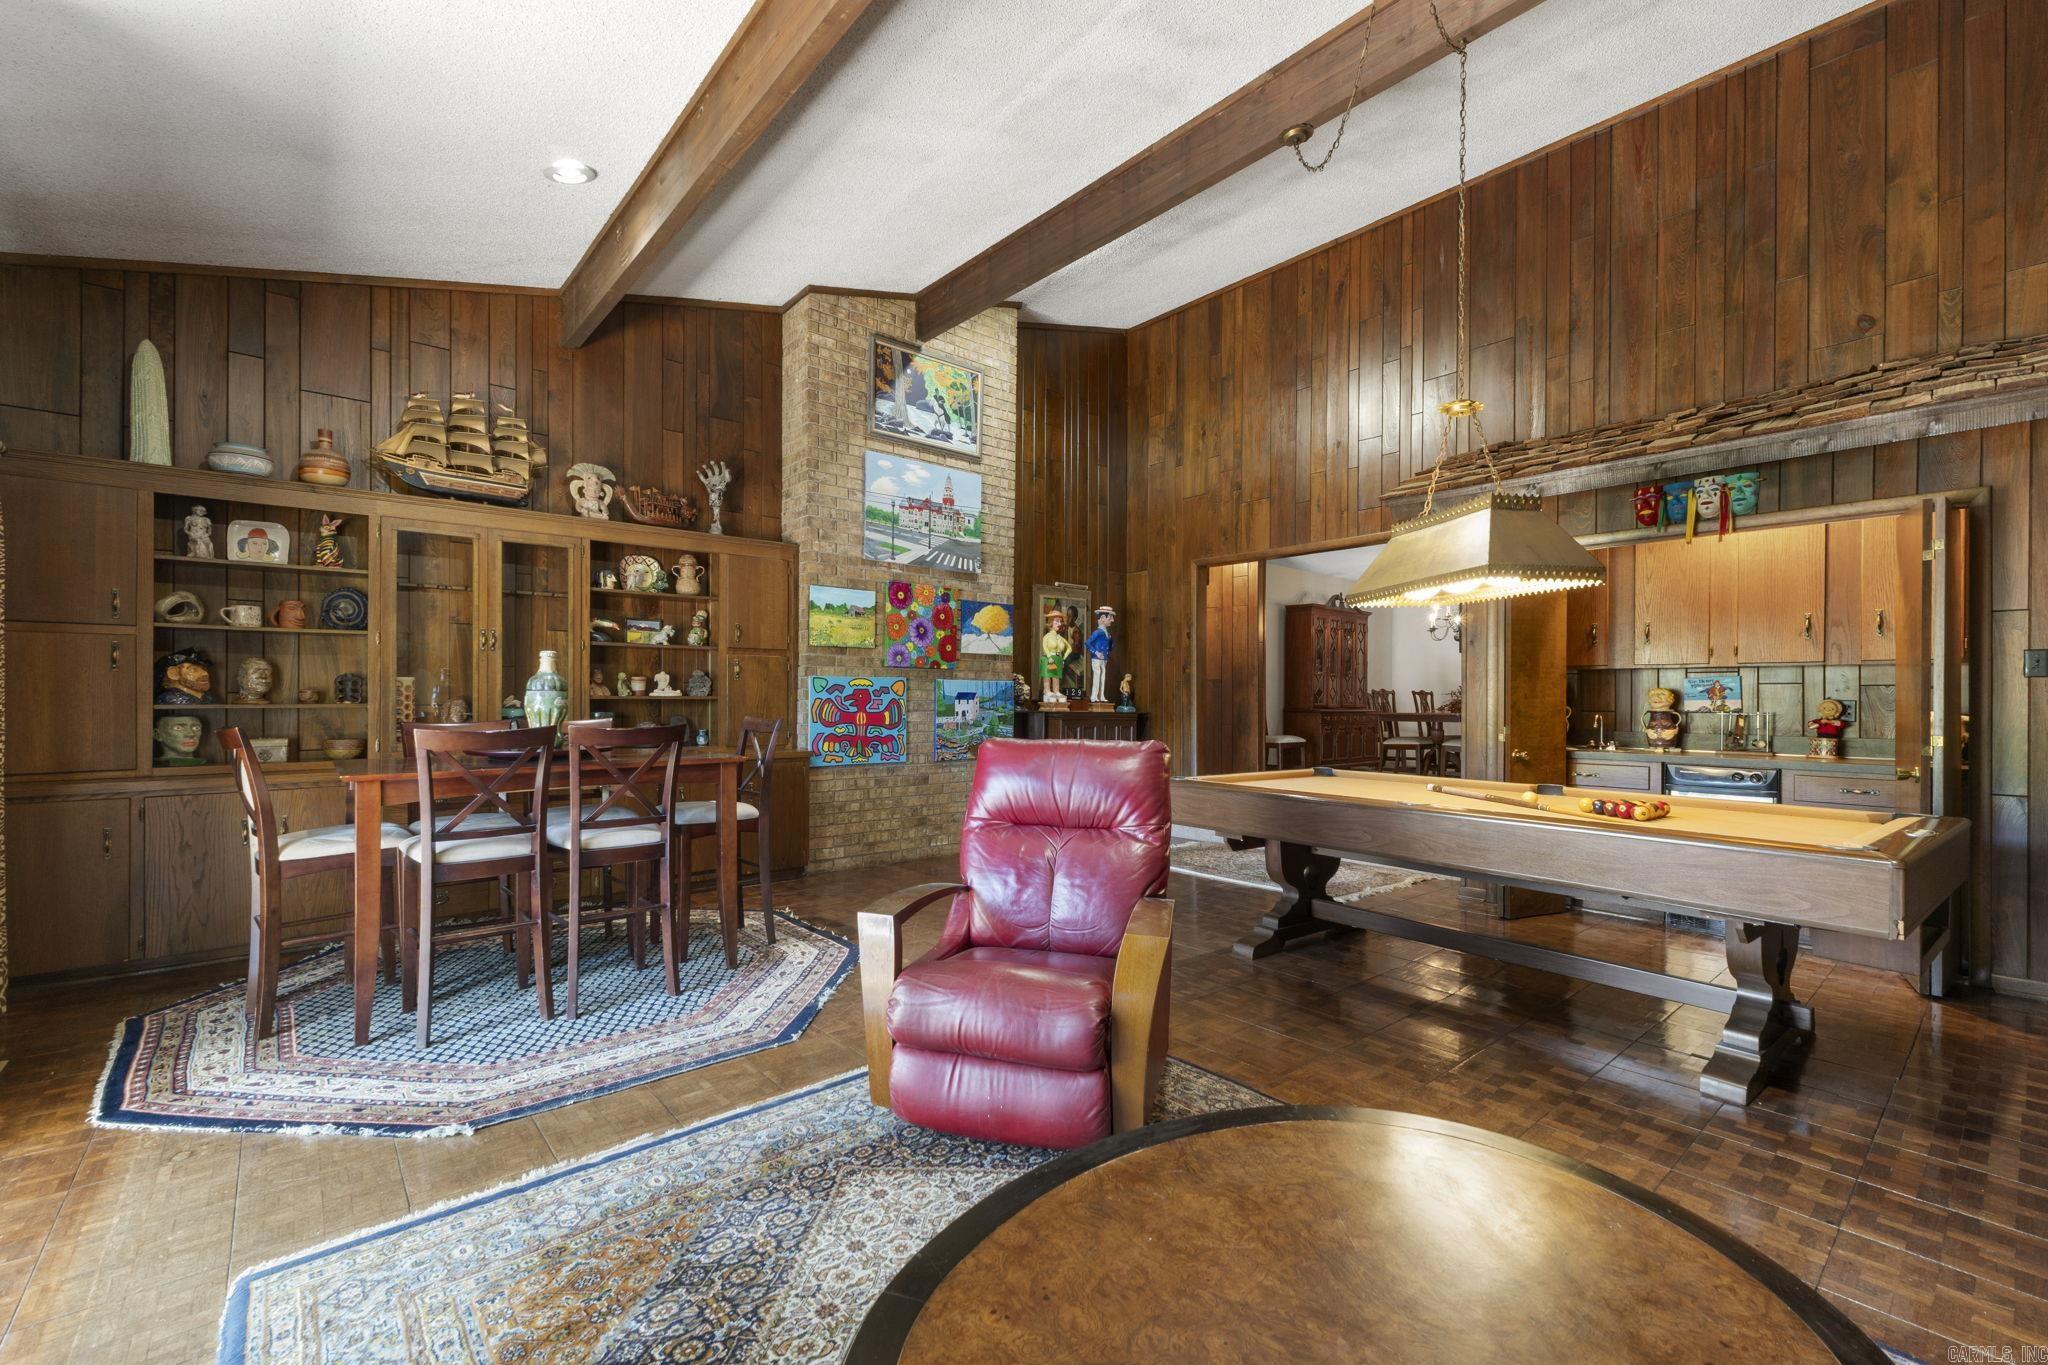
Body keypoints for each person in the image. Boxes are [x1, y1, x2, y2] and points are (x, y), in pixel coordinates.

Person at [1085, 606, 1116, 705]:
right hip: (1097, 659)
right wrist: (1096, 652)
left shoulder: (1107, 634)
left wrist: (1109, 650)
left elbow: (1110, 645)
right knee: (1097, 676)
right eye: (1110, 617)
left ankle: (1101, 695)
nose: (1112, 620)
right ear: (1102, 618)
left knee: (1103, 677)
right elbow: (1087, 643)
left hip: (1104, 659)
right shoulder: (1098, 632)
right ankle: (1094, 696)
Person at [1039, 608, 1070, 706]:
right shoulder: (1047, 636)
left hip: (1058, 658)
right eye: (1056, 621)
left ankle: (1056, 691)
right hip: (1049, 657)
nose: (1059, 624)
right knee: (1048, 674)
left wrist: (1063, 658)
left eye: (1060, 621)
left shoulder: (1059, 637)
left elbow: (1069, 648)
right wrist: (1049, 656)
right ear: (1051, 622)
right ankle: (1047, 691)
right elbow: (1044, 646)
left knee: (1056, 676)